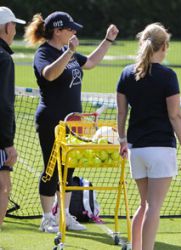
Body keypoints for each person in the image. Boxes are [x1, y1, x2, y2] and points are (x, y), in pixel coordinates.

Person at [24, 11, 118, 233]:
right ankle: (47, 218)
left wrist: (108, 40)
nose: (74, 32)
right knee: (52, 167)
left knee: (68, 169)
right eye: (70, 28)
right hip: (51, 121)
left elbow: (92, 62)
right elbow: (49, 74)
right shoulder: (44, 53)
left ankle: (64, 215)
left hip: (73, 122)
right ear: (58, 31)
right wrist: (70, 52)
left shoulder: (69, 52)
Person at [116, 23, 181, 250]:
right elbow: (175, 115)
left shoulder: (127, 73)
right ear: (164, 46)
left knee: (145, 204)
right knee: (153, 207)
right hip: (160, 149)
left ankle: (135, 247)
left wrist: (122, 140)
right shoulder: (168, 75)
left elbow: (121, 112)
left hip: (136, 149)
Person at [0, 7, 25, 230]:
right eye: (14, 26)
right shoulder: (4, 59)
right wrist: (8, 144)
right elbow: (4, 104)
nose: (15, 31)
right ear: (8, 27)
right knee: (3, 187)